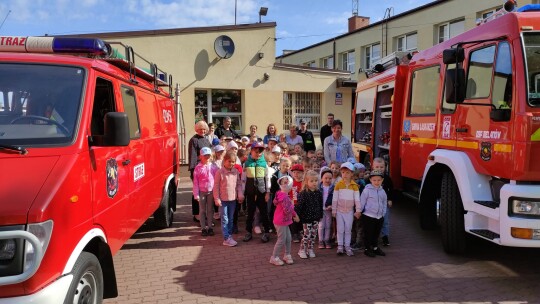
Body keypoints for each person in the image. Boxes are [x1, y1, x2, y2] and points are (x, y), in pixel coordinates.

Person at [241, 142, 272, 243]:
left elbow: (267, 178)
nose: (258, 153)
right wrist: (242, 192)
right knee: (250, 213)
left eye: (260, 152)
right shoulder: (246, 163)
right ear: (251, 151)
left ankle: (266, 232)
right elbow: (243, 179)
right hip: (250, 193)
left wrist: (267, 192)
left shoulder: (264, 164)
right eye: (256, 151)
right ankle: (248, 231)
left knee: (264, 213)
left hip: (261, 193)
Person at [214, 151, 243, 246]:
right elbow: (216, 187)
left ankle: (229, 236)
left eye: (233, 161)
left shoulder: (236, 172)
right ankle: (226, 238)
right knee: (224, 219)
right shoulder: (220, 172)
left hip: (233, 200)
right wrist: (216, 199)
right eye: (229, 161)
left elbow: (238, 184)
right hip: (223, 200)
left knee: (230, 219)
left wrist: (240, 194)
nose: (231, 163)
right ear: (224, 161)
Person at [331, 162, 361, 256]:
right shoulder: (338, 185)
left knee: (348, 229)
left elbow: (357, 200)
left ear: (352, 173)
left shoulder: (354, 186)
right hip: (339, 211)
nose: (345, 174)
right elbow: (335, 199)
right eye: (343, 172)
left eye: (347, 172)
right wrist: (334, 210)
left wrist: (358, 210)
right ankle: (340, 246)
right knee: (340, 229)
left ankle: (347, 246)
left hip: (349, 212)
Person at [270, 176, 300, 266]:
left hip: (283, 220)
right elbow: (288, 209)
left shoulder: (280, 194)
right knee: (282, 239)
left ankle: (287, 254)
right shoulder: (284, 197)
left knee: (288, 238)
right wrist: (295, 215)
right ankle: (274, 257)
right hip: (281, 221)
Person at [295, 170, 323, 259]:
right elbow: (299, 206)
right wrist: (297, 215)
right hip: (306, 218)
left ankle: (310, 249)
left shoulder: (318, 192)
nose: (314, 183)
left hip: (316, 217)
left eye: (316, 180)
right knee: (306, 234)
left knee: (313, 235)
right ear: (306, 182)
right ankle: (302, 250)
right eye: (311, 181)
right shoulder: (303, 193)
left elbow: (320, 204)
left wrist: (320, 215)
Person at [359, 170, 388, 257]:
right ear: (371, 180)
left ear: (382, 180)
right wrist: (359, 212)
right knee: (368, 233)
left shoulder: (382, 191)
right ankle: (367, 248)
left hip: (379, 216)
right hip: (368, 216)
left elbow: (384, 203)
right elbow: (362, 202)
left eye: (379, 180)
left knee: (376, 233)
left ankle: (375, 247)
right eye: (374, 180)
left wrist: (383, 213)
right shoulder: (366, 190)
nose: (376, 182)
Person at [188, 121, 211, 222]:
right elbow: (192, 155)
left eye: (204, 129)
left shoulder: (206, 140)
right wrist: (193, 170)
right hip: (198, 169)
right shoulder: (194, 140)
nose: (203, 131)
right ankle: (197, 214)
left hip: (206, 168)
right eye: (200, 129)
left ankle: (204, 213)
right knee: (197, 192)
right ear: (196, 129)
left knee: (206, 191)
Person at [193, 147, 218, 236]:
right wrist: (196, 194)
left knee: (210, 210)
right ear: (201, 156)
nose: (207, 157)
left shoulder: (214, 167)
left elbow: (217, 180)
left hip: (211, 191)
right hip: (202, 192)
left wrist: (217, 192)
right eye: (205, 155)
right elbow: (195, 183)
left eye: (208, 155)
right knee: (202, 210)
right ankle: (203, 228)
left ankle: (210, 227)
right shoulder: (197, 168)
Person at [369, 157, 394, 247]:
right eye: (377, 167)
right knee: (373, 220)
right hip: (373, 204)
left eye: (381, 167)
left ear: (385, 167)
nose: (379, 169)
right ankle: (372, 237)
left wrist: (390, 199)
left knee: (385, 220)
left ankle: (385, 237)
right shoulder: (370, 178)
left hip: (384, 204)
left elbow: (391, 189)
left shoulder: (387, 179)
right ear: (373, 167)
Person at [318, 167, 334, 249]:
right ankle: (320, 240)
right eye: (326, 178)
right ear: (322, 178)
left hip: (328, 209)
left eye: (330, 178)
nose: (328, 180)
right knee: (321, 225)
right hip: (321, 209)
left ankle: (327, 240)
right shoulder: (319, 188)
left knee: (328, 225)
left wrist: (332, 206)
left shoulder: (333, 188)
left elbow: (334, 199)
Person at [289, 163, 304, 243]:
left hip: (302, 205)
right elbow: (289, 194)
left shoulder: (304, 183)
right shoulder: (291, 183)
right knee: (293, 219)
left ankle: (301, 231)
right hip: (293, 204)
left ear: (302, 173)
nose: (296, 174)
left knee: (301, 219)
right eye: (294, 172)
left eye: (298, 172)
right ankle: (294, 233)